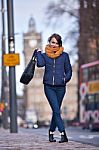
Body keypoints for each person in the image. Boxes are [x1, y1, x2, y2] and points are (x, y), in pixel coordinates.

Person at [36, 33, 72, 143]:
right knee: (56, 110)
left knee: (56, 111)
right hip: (49, 87)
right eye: (52, 42)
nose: (54, 45)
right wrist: (37, 53)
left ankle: (51, 132)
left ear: (59, 44)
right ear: (49, 42)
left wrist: (65, 79)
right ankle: (63, 134)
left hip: (61, 87)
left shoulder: (64, 56)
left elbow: (69, 70)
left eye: (56, 43)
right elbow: (40, 64)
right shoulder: (45, 55)